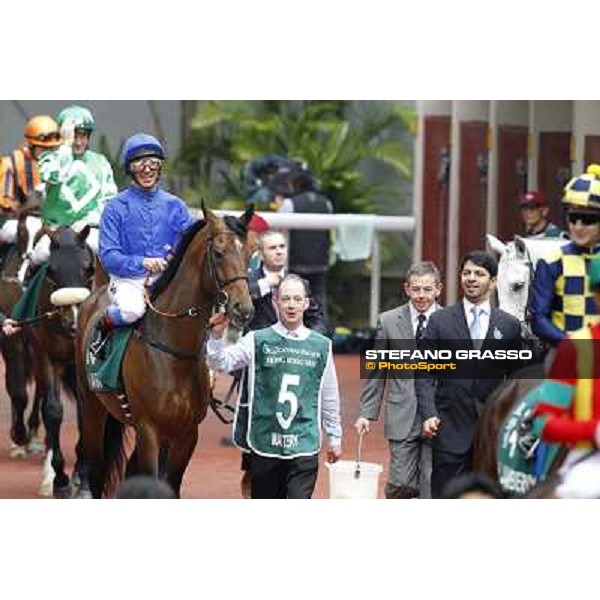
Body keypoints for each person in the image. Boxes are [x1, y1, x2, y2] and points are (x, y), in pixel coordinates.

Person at [207, 274, 342, 499]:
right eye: (286, 298)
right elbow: (221, 362)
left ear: (306, 303)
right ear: (275, 301)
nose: (291, 305)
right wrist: (216, 337)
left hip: (304, 442)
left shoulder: (321, 346)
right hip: (265, 441)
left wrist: (335, 437)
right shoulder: (256, 339)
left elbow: (329, 395)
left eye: (297, 299)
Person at [415, 250, 523, 498]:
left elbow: (517, 379)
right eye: (466, 273)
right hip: (448, 426)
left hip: (491, 430)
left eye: (479, 273)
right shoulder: (439, 321)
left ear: (493, 282)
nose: (471, 278)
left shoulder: (509, 326)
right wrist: (429, 413)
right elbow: (424, 372)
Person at [236, 230, 329, 497]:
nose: (278, 251)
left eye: (281, 246)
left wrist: (311, 340)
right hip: (258, 366)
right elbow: (241, 305)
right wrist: (269, 285)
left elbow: (318, 316)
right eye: (272, 247)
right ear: (261, 254)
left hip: (297, 367)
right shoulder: (250, 280)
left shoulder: (297, 282)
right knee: (256, 452)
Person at [354, 261, 442, 499]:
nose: (421, 295)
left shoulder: (450, 321)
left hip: (437, 416)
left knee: (431, 484)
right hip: (402, 414)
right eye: (416, 289)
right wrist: (366, 412)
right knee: (400, 484)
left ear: (438, 289)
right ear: (406, 288)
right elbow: (377, 371)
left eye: (427, 289)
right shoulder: (389, 321)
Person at [96, 133, 196, 336]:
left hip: (167, 281)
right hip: (127, 282)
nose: (147, 169)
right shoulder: (115, 207)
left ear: (160, 167)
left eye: (153, 163)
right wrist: (143, 262)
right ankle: (103, 325)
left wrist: (174, 256)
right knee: (133, 311)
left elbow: (191, 243)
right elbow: (109, 257)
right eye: (140, 165)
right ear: (129, 169)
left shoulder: (176, 205)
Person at [532, 256, 600, 499]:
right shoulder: (576, 348)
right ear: (596, 297)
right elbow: (543, 422)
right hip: (591, 465)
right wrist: (593, 431)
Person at [30, 105, 117, 265]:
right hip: (55, 231)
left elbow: (109, 200)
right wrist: (64, 147)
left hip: (88, 230)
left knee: (108, 255)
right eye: (73, 136)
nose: (77, 142)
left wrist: (89, 220)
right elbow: (54, 177)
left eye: (83, 136)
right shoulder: (49, 158)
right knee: (39, 256)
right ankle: (27, 284)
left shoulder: (101, 162)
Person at [529, 165, 600, 346]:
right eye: (572, 217)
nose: (578, 226)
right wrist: (569, 343)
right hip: (566, 354)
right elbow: (538, 318)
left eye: (588, 219)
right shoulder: (552, 261)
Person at [0, 115, 62, 250]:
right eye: (43, 149)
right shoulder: (12, 162)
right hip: (19, 222)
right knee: (10, 231)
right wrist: (29, 207)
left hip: (51, 224)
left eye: (52, 149)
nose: (48, 154)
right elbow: (6, 208)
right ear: (30, 144)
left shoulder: (61, 166)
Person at [278, 169, 333, 316]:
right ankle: (321, 334)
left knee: (293, 301)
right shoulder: (326, 203)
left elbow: (280, 231)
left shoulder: (290, 204)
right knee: (319, 304)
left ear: (296, 185)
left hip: (296, 262)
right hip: (320, 262)